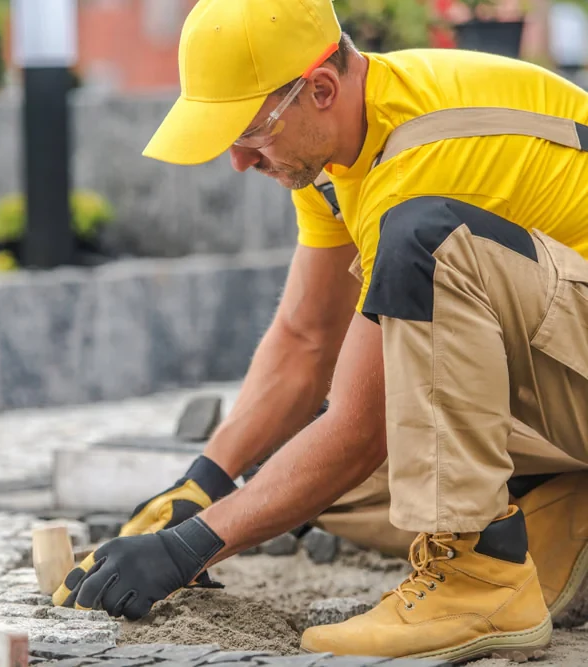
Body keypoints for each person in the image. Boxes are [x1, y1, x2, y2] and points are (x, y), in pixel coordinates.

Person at [50, 0, 588, 661]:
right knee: (290, 479)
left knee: (424, 247)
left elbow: (359, 429)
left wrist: (185, 547)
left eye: (249, 134)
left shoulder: (426, 155)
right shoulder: (336, 140)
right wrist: (204, 483)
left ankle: (481, 580)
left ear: (321, 89)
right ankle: (553, 503)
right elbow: (305, 339)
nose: (238, 162)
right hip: (565, 376)